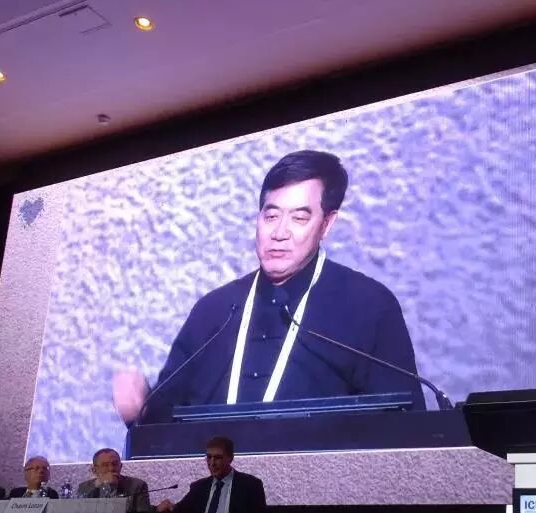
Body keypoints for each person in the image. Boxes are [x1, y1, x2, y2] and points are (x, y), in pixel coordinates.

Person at [113, 150, 425, 424]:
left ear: (327, 224)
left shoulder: (370, 305)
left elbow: (405, 427)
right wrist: (140, 410)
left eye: (299, 218)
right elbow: (163, 426)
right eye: (271, 215)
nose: (279, 232)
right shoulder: (213, 311)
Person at [76, 448, 153, 511]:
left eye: (115, 464)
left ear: (121, 466)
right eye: (105, 465)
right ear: (94, 470)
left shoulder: (138, 485)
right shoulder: (84, 487)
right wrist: (98, 486)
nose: (111, 468)